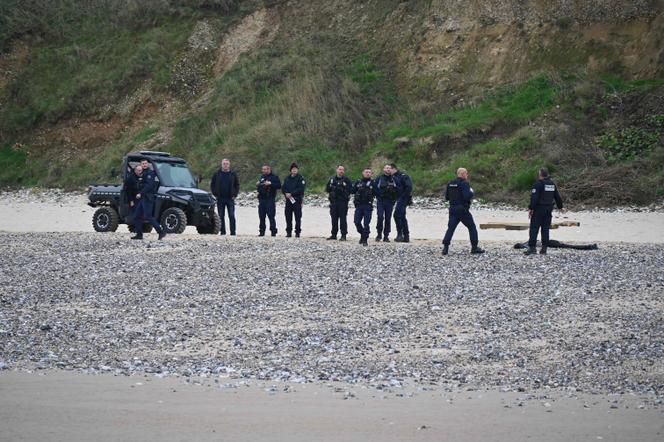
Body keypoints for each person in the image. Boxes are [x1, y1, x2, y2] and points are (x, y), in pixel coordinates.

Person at [442, 167, 484, 255]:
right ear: (462, 174)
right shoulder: (464, 184)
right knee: (472, 227)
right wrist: (471, 192)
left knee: (451, 228)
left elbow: (447, 197)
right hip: (462, 210)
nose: (467, 175)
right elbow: (467, 196)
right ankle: (474, 247)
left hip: (452, 209)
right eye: (466, 173)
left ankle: (445, 248)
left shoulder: (450, 183)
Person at [525, 168, 566, 255]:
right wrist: (560, 207)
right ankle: (544, 248)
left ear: (540, 175)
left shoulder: (538, 184)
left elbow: (534, 198)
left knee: (534, 228)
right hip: (548, 209)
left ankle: (532, 248)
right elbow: (557, 197)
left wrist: (531, 208)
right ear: (547, 175)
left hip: (539, 209)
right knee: (545, 229)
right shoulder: (552, 184)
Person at [132, 159, 166, 240]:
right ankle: (139, 234)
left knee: (148, 216)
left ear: (148, 164)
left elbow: (149, 186)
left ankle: (160, 231)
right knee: (136, 216)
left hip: (147, 197)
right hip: (143, 198)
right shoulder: (142, 173)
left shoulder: (150, 173)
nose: (144, 165)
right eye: (143, 163)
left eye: (146, 163)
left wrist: (140, 193)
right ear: (140, 164)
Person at [210, 158, 240, 236]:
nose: (225, 165)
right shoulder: (217, 173)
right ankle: (223, 232)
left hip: (230, 198)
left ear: (229, 165)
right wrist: (215, 193)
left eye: (227, 164)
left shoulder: (233, 174)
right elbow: (212, 184)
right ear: (222, 164)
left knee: (231, 215)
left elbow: (237, 185)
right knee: (221, 216)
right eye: (224, 164)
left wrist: (235, 194)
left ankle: (233, 232)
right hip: (220, 198)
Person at [325, 165, 352, 241]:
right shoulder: (332, 179)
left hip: (342, 202)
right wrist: (332, 188)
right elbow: (327, 189)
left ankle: (343, 235)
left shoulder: (346, 180)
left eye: (342, 170)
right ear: (336, 170)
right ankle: (334, 235)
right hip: (333, 202)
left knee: (343, 219)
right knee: (334, 219)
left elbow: (351, 190)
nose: (341, 171)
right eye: (340, 169)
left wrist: (342, 189)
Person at [374, 164, 398, 242]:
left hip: (390, 202)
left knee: (388, 219)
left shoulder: (394, 179)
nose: (388, 169)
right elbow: (375, 189)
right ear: (384, 169)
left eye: (389, 168)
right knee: (380, 217)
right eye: (387, 168)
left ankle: (386, 236)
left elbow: (398, 190)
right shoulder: (379, 178)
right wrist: (380, 194)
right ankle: (379, 234)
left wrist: (394, 198)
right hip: (381, 201)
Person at [352, 167, 375, 246]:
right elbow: (352, 190)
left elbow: (379, 193)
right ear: (363, 173)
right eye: (366, 172)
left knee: (366, 223)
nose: (367, 173)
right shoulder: (358, 182)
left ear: (371, 174)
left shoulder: (373, 183)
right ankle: (364, 234)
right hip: (359, 205)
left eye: (369, 172)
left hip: (368, 206)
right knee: (356, 222)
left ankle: (364, 240)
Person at [282, 163, 306, 238]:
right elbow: (283, 187)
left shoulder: (300, 178)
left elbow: (301, 189)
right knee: (288, 217)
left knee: (298, 217)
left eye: (296, 169)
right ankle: (288, 232)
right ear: (290, 170)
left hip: (297, 200)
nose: (294, 170)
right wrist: (286, 193)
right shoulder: (287, 178)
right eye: (293, 169)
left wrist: (291, 193)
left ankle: (297, 232)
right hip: (288, 200)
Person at [256, 164, 281, 236]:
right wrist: (258, 185)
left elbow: (279, 186)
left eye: (264, 169)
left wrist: (271, 183)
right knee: (261, 216)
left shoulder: (274, 177)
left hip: (270, 199)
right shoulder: (262, 177)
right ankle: (261, 231)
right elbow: (260, 188)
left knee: (271, 216)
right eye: (262, 169)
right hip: (262, 199)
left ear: (269, 169)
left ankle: (273, 232)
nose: (263, 171)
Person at [392, 164, 413, 243]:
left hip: (403, 198)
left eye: (389, 169)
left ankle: (400, 234)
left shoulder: (403, 176)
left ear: (394, 169)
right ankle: (406, 235)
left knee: (397, 215)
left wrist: (403, 196)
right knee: (402, 216)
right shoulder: (392, 177)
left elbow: (409, 187)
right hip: (398, 199)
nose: (388, 171)